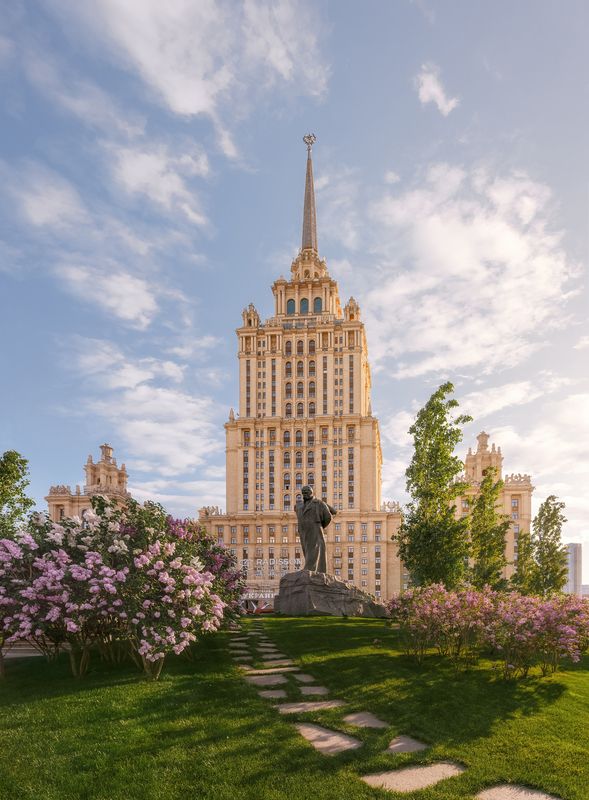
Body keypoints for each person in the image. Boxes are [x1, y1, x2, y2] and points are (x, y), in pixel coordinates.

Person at [295, 485, 335, 572]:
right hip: (303, 531)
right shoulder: (298, 506)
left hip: (315, 529)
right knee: (307, 549)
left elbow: (328, 516)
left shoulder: (319, 503)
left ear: (312, 492)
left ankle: (310, 569)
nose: (305, 493)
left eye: (307, 492)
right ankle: (311, 569)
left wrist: (319, 526)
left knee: (314, 549)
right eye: (303, 492)